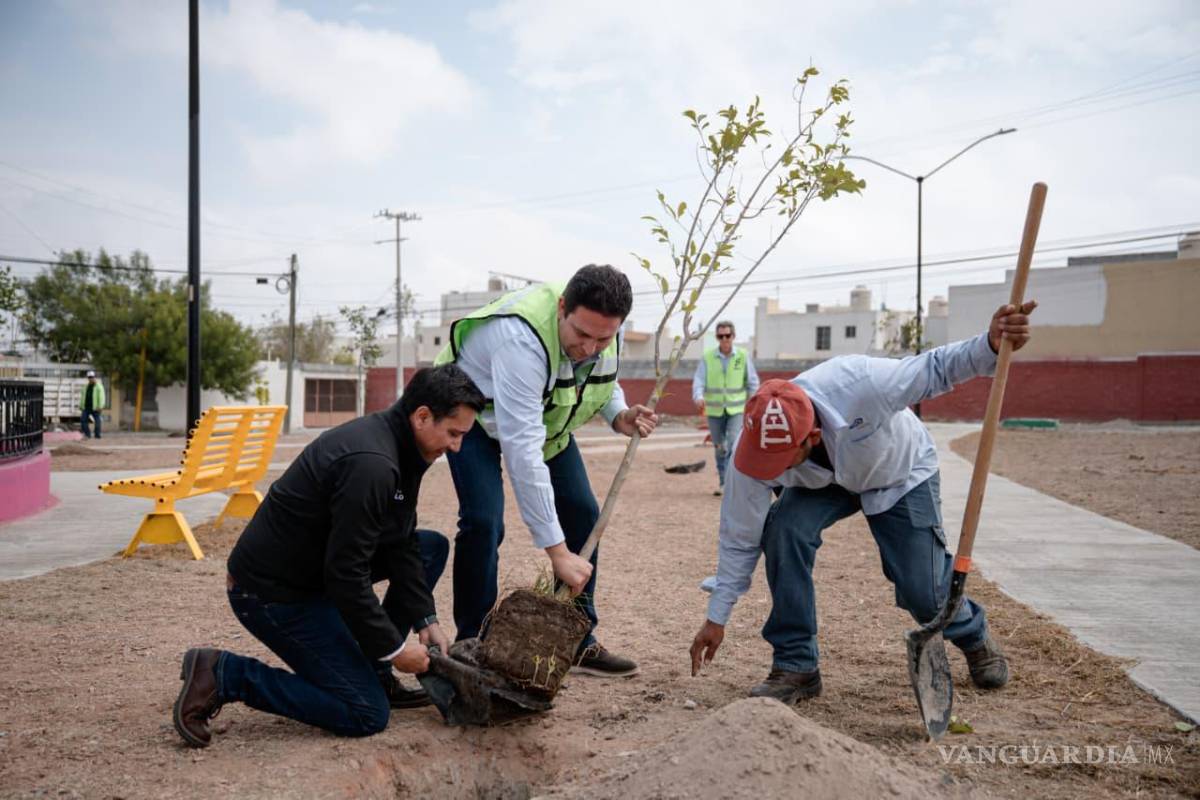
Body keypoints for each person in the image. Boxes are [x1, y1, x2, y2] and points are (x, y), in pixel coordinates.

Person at [689, 301, 1038, 703]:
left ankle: (973, 636)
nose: (769, 472)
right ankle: (797, 664)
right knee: (783, 532)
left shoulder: (861, 382)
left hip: (898, 473)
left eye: (780, 460)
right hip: (823, 481)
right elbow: (739, 537)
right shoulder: (751, 456)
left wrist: (991, 345)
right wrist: (717, 618)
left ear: (811, 438)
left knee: (920, 588)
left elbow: (936, 368)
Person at [173, 364, 485, 747]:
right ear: (422, 416)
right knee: (366, 712)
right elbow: (345, 574)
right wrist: (394, 648)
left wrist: (425, 619)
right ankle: (224, 674)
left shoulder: (407, 447)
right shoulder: (373, 463)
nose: (457, 446)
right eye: (453, 434)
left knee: (429, 547)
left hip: (316, 571)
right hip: (272, 593)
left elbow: (401, 540)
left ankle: (373, 671)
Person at [434, 265, 658, 677]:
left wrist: (618, 414)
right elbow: (522, 449)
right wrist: (556, 552)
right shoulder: (521, 340)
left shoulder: (604, 328)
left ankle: (576, 640)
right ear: (561, 309)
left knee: (582, 513)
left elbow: (597, 377)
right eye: (581, 335)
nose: (590, 347)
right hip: (474, 415)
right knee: (484, 522)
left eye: (603, 338)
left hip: (543, 417)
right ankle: (473, 641)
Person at [693, 320, 760, 496]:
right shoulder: (708, 357)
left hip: (736, 410)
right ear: (717, 337)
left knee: (732, 444)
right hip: (714, 411)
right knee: (719, 447)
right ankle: (723, 482)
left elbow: (752, 382)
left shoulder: (742, 356)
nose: (724, 339)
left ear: (733, 336)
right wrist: (698, 396)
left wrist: (753, 404)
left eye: (727, 335)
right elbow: (699, 380)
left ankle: (732, 483)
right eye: (720, 336)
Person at [79, 370, 104, 439]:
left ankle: (97, 435)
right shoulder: (85, 387)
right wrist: (81, 406)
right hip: (86, 407)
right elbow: (82, 397)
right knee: (83, 420)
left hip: (95, 407)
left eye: (92, 377)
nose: (91, 378)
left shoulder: (99, 386)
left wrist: (100, 406)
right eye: (89, 377)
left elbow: (101, 397)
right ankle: (87, 434)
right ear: (88, 378)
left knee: (97, 421)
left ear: (94, 377)